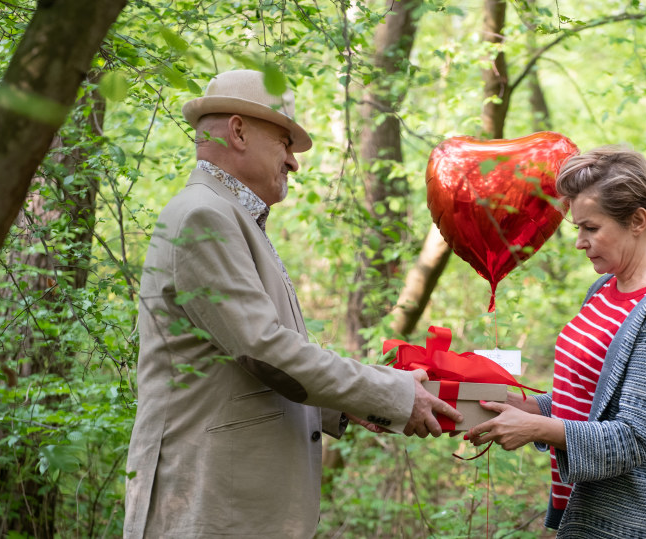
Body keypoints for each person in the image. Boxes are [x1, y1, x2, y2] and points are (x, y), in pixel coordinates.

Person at [123, 69, 462, 538]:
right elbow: (264, 350)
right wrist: (393, 394)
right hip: (210, 500)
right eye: (285, 143)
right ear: (238, 131)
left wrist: (347, 407)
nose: (294, 163)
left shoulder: (231, 216)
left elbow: (245, 365)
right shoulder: (204, 216)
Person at [467, 145, 646, 538]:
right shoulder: (604, 289)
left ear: (637, 220)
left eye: (591, 228)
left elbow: (631, 438)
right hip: (587, 513)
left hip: (638, 521)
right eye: (577, 228)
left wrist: (535, 428)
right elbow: (594, 400)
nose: (579, 242)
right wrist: (530, 407)